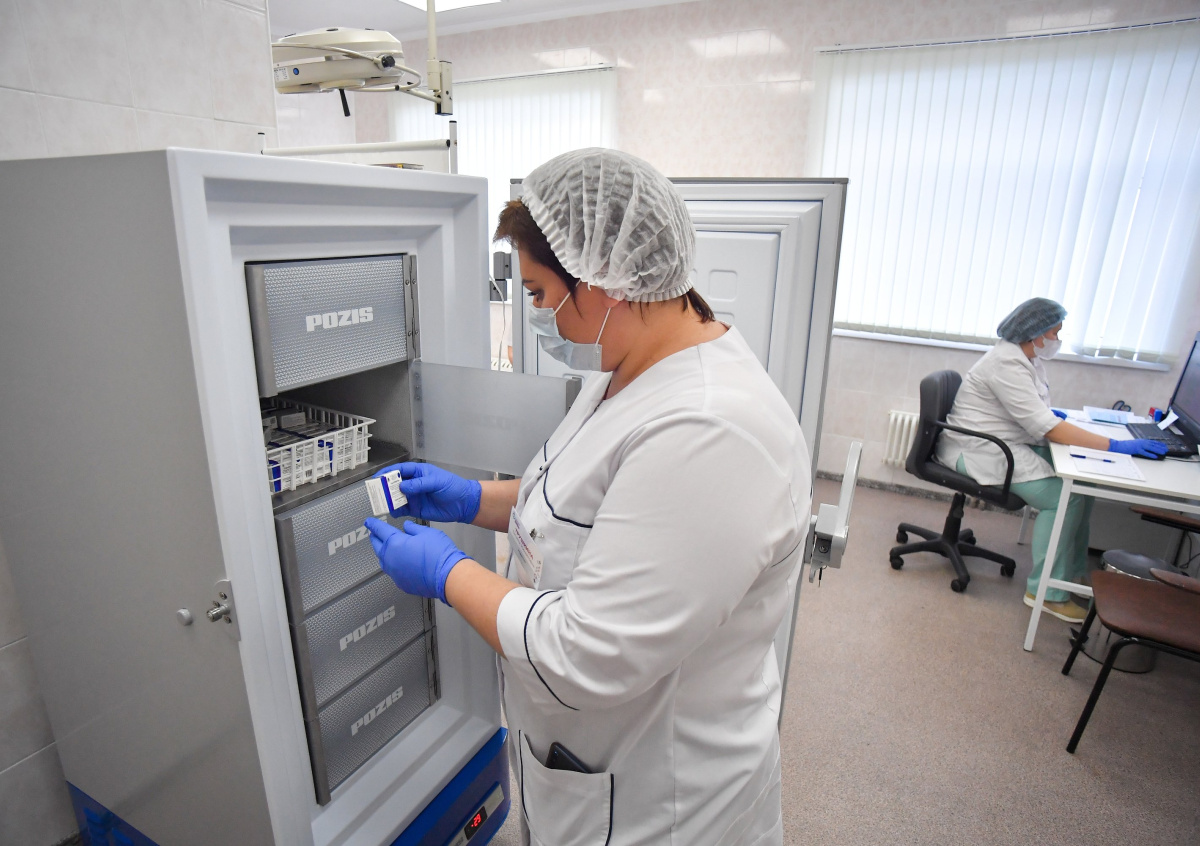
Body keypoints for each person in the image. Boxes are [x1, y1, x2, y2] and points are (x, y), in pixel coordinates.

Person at [362, 148, 811, 846]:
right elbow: (586, 504)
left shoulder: (711, 430)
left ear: (604, 282)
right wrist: (473, 499)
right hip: (586, 767)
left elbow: (587, 653)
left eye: (540, 294)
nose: (538, 314)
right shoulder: (631, 367)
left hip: (662, 802)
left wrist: (448, 574)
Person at [934, 297, 1168, 622]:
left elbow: (1034, 410)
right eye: (1055, 333)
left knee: (1082, 484)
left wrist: (1050, 416)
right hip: (979, 450)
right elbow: (1047, 427)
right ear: (1035, 332)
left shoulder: (1024, 358)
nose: (1057, 339)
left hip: (1005, 440)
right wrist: (1115, 446)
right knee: (1063, 498)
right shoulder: (1006, 363)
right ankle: (1045, 593)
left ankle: (1069, 574)